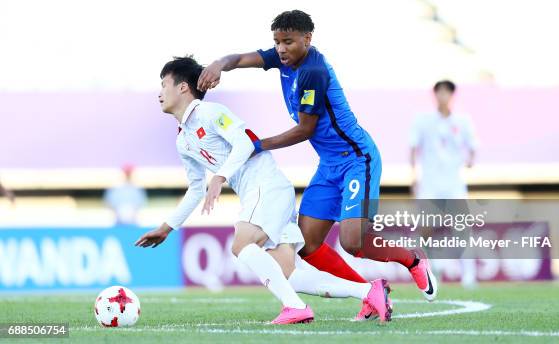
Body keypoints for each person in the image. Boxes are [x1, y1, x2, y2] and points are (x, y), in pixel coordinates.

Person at [197, 10, 438, 309]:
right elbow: (241, 59)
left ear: (307, 39)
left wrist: (257, 145)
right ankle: (369, 294)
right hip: (328, 165)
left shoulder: (313, 72)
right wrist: (219, 64)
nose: (281, 49)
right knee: (308, 244)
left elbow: (305, 129)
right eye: (277, 42)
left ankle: (412, 259)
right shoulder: (283, 58)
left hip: (356, 159)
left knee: (353, 242)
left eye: (288, 41)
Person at [135, 57, 392, 324]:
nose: (159, 92)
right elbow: (196, 188)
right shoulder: (183, 141)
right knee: (291, 273)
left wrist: (220, 176)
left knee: (242, 244)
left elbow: (246, 144)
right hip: (263, 194)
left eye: (164, 84)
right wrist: (167, 227)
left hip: (265, 186)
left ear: (183, 87)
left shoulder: (210, 113)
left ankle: (295, 307)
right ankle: (368, 291)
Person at [409, 80, 478, 287]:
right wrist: (414, 176)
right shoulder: (423, 121)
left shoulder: (462, 121)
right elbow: (413, 148)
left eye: (447, 92)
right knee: (425, 228)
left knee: (462, 227)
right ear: (435, 95)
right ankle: (430, 268)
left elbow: (473, 145)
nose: (443, 96)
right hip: (430, 182)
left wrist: (471, 160)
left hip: (453, 182)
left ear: (452, 95)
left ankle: (469, 276)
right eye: (440, 92)